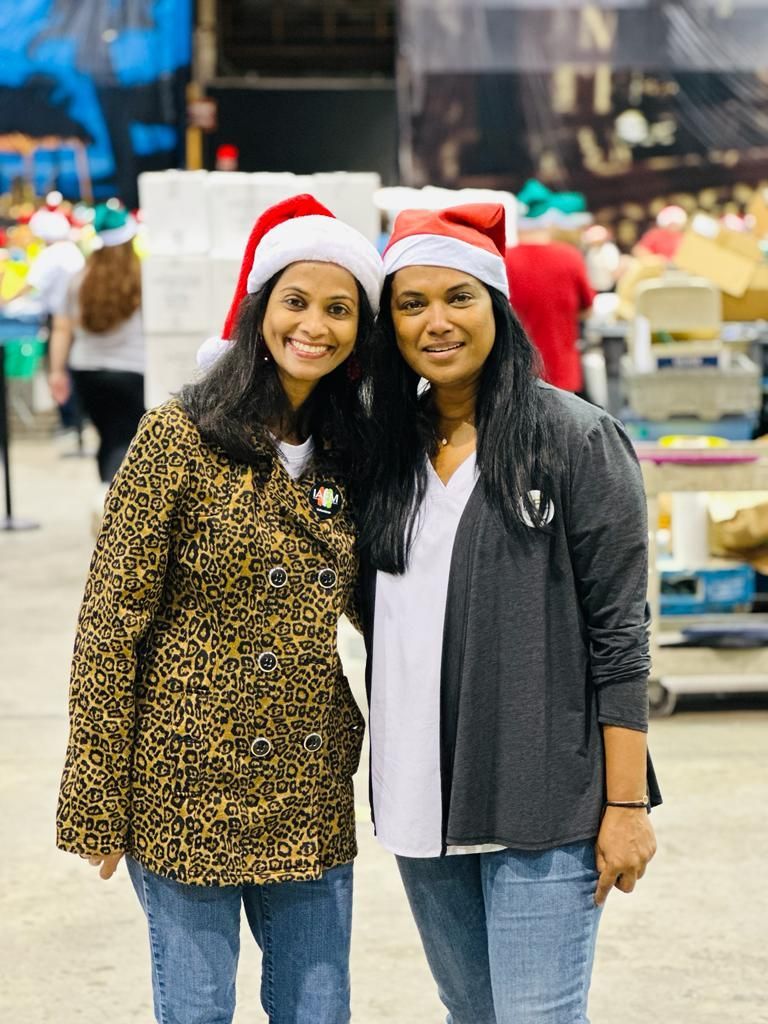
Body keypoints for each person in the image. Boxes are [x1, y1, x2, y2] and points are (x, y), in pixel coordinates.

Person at [56, 194, 384, 1024]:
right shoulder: (178, 435)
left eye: (339, 308)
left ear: (360, 330)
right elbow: (109, 623)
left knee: (319, 1010)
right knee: (197, 1010)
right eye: (296, 301)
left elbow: (383, 609)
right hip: (181, 778)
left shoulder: (356, 454)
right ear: (259, 310)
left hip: (305, 782)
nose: (315, 325)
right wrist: (97, 794)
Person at [358, 203, 660, 1024]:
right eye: (411, 304)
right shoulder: (384, 450)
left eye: (458, 297)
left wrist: (626, 806)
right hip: (419, 794)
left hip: (543, 800)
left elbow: (621, 636)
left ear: (497, 303)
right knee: (474, 1016)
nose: (436, 321)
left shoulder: (574, 438)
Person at [48, 202, 145, 483]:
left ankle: (107, 500)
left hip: (88, 370)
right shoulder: (141, 279)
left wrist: (56, 371)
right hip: (133, 371)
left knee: (107, 439)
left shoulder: (78, 280)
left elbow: (62, 328)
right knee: (132, 443)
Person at [504, 210, 594, 393]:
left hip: (516, 375)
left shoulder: (504, 259)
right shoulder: (570, 256)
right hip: (563, 375)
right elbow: (587, 309)